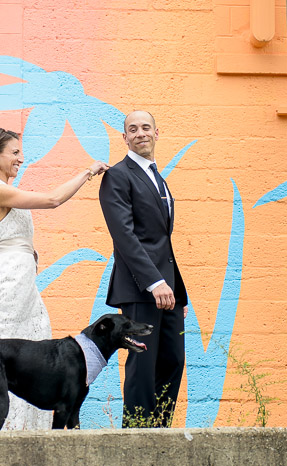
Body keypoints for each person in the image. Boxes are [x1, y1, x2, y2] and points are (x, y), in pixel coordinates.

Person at [0, 126, 109, 431]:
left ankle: (25, 429)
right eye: (15, 152)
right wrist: (88, 171)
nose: (21, 158)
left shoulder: (1, 189)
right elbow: (52, 200)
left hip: (22, 276)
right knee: (1, 343)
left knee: (32, 349)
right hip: (11, 278)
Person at [98, 110, 188, 428]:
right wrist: (154, 282)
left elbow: (162, 240)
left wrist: (179, 293)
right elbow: (125, 236)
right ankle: (137, 439)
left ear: (156, 133)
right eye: (132, 129)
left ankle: (159, 435)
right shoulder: (118, 176)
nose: (140, 133)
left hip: (169, 291)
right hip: (141, 288)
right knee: (142, 365)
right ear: (125, 138)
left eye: (145, 127)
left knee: (173, 361)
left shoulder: (156, 176)